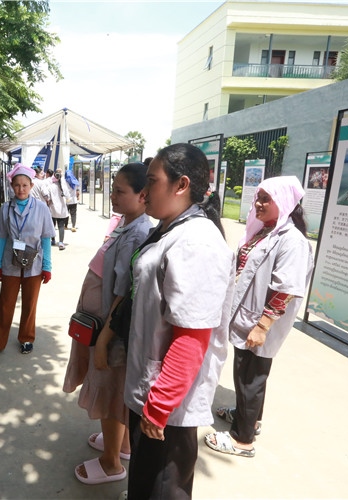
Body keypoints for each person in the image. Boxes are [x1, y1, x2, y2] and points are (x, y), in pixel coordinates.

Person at [123, 143, 235, 499]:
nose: (144, 192)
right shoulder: (172, 228)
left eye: (151, 182)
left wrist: (158, 406)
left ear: (181, 185)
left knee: (163, 487)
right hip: (150, 391)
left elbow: (191, 338)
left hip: (166, 406)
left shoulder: (196, 243)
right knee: (144, 481)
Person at [205, 175, 313, 458]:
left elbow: (286, 288)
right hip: (247, 317)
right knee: (248, 373)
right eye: (259, 197)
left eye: (267, 198)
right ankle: (248, 418)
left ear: (285, 202)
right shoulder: (267, 231)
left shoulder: (292, 241)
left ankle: (243, 439)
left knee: (249, 377)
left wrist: (263, 326)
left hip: (259, 323)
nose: (259, 203)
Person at [63, 163, 153, 485]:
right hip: (100, 325)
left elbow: (124, 294)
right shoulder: (125, 224)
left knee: (111, 391)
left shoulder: (138, 233)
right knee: (112, 390)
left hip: (108, 332)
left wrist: (103, 339)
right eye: (112, 189)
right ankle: (121, 444)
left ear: (143, 196)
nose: (112, 195)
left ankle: (111, 462)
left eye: (119, 191)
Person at [0, 164, 54, 361]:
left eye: (24, 185)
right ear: (11, 186)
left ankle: (26, 338)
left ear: (31, 185)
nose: (20, 189)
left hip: (34, 264)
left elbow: (46, 238)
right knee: (5, 304)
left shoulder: (41, 208)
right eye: (16, 185)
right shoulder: (5, 209)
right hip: (10, 263)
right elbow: (2, 239)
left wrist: (47, 266)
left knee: (30, 303)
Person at [46, 169, 70, 250]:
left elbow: (48, 197)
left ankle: (53, 240)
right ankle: (61, 242)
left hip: (52, 209)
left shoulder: (50, 186)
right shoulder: (63, 186)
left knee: (52, 225)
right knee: (61, 226)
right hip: (62, 210)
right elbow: (67, 196)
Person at [64, 167, 81, 232]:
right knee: (73, 214)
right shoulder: (75, 181)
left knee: (66, 213)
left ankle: (65, 226)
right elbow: (77, 190)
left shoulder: (64, 182)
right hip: (74, 200)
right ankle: (73, 226)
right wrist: (78, 196)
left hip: (67, 200)